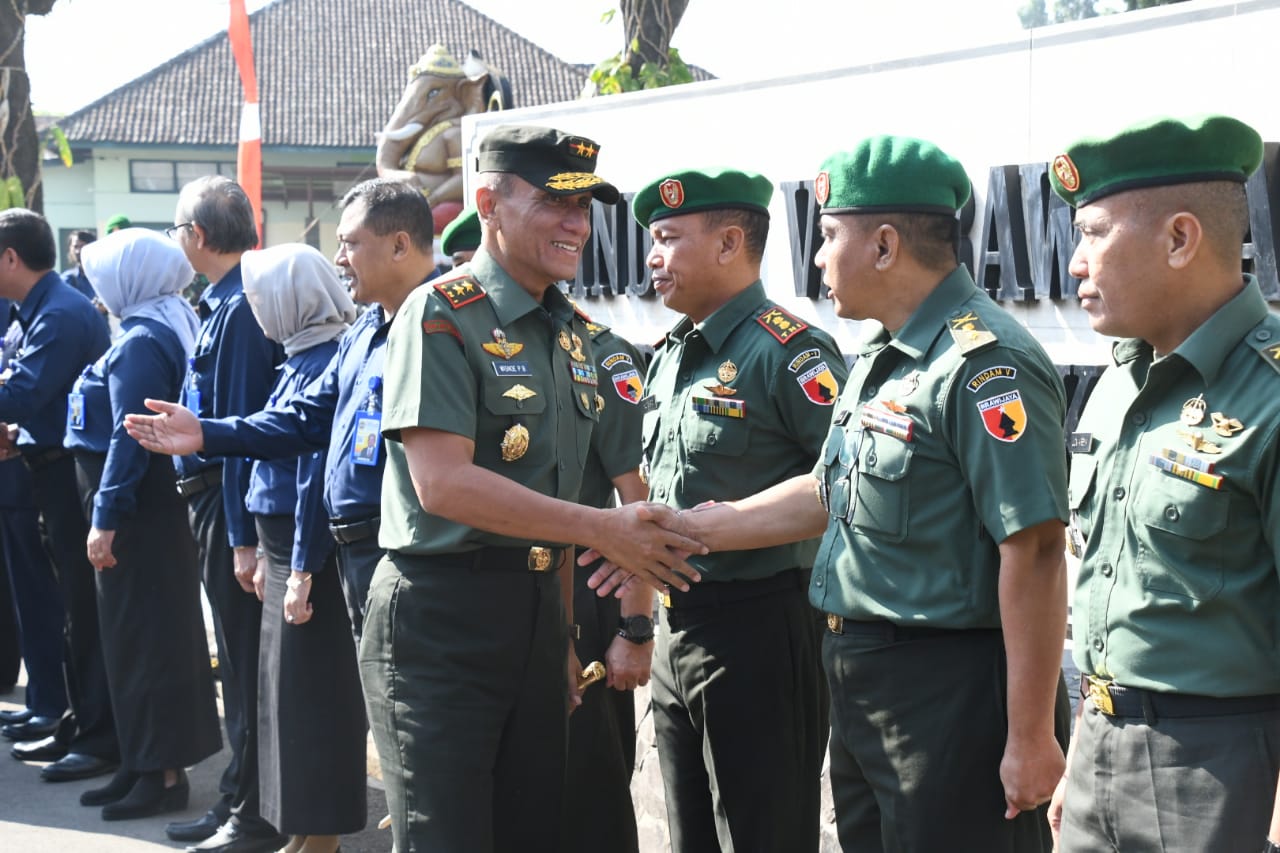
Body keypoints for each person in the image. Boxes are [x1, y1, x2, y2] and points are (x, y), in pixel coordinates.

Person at [606, 136, 1071, 850]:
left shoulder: (984, 363)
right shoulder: (885, 357)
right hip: (865, 681)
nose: (817, 259)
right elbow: (827, 490)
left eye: (827, 236)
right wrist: (686, 528)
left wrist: (1031, 734)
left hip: (947, 685)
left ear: (884, 245)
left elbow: (1035, 549)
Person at [363, 123, 703, 853]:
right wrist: (601, 528)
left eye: (584, 208)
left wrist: (561, 634)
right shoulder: (440, 314)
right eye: (555, 202)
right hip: (442, 620)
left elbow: (557, 508)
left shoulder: (575, 335)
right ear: (488, 203)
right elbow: (443, 485)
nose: (577, 224)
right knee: (448, 838)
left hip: (541, 615)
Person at [1042, 115, 1280, 852]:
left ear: (1180, 239)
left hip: (1220, 772)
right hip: (1099, 748)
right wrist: (1085, 756)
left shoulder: (1270, 394)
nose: (1075, 264)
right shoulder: (1120, 381)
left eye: (1094, 233)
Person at [624, 167, 845, 852]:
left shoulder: (789, 351)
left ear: (728, 244)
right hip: (678, 629)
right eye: (652, 241)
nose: (653, 257)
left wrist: (724, 527)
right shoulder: (671, 355)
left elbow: (844, 484)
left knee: (761, 835)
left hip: (760, 627)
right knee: (690, 836)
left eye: (668, 238)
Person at [124, 177, 439, 641]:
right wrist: (207, 433)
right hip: (357, 555)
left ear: (399, 245)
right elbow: (307, 419)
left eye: (350, 244)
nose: (339, 259)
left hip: (411, 555)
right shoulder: (364, 330)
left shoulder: (445, 324)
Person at [67, 228, 221, 820]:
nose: (98, 288)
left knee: (146, 642)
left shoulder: (140, 340)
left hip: (137, 516)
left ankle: (162, 775)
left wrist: (105, 516)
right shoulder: (158, 323)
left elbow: (128, 435)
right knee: (136, 640)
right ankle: (140, 762)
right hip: (148, 511)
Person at [165, 176, 286, 853]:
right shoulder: (224, 302)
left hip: (228, 501)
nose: (177, 240)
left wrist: (242, 537)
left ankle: (253, 815)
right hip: (216, 500)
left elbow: (240, 432)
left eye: (178, 228)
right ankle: (237, 798)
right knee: (238, 669)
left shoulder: (240, 308)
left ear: (199, 235)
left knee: (244, 668)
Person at [235, 243, 364, 853]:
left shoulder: (325, 360)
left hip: (304, 552)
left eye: (263, 297)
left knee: (313, 699)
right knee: (286, 699)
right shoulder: (299, 356)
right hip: (282, 548)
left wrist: (303, 569)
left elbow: (315, 478)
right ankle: (304, 832)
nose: (257, 309)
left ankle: (322, 837)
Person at [0, 209, 119, 783]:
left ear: (11, 257)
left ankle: (87, 728)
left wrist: (11, 416)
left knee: (77, 610)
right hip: (42, 467)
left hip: (69, 476)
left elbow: (21, 391)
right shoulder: (38, 309)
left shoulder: (61, 313)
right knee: (61, 607)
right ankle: (68, 716)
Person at [562, 319, 654, 853]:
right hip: (505, 594)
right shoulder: (486, 338)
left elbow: (639, 498)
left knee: (591, 791)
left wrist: (635, 626)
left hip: (586, 586)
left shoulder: (601, 353)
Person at [0, 299, 69, 737]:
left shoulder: (56, 314)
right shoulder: (24, 316)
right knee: (27, 601)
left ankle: (54, 705)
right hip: (16, 469)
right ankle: (42, 699)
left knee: (43, 600)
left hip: (34, 474)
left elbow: (22, 394)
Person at [60, 230, 97, 301]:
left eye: (82, 246)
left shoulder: (101, 276)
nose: (78, 251)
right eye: (75, 247)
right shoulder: (67, 279)